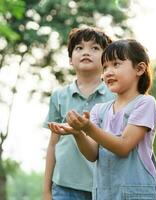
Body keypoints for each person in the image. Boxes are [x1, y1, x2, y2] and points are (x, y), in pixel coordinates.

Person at [49, 39, 156, 200]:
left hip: (137, 194)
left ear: (140, 68)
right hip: (104, 193)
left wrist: (88, 128)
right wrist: (78, 133)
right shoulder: (99, 110)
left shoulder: (145, 103)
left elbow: (123, 146)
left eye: (116, 64)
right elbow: (92, 154)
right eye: (105, 67)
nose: (108, 72)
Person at [43, 27, 114, 200]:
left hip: (105, 187)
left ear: (106, 59)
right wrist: (46, 191)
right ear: (70, 59)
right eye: (79, 48)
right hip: (64, 188)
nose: (86, 52)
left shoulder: (115, 95)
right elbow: (53, 144)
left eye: (95, 48)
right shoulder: (59, 96)